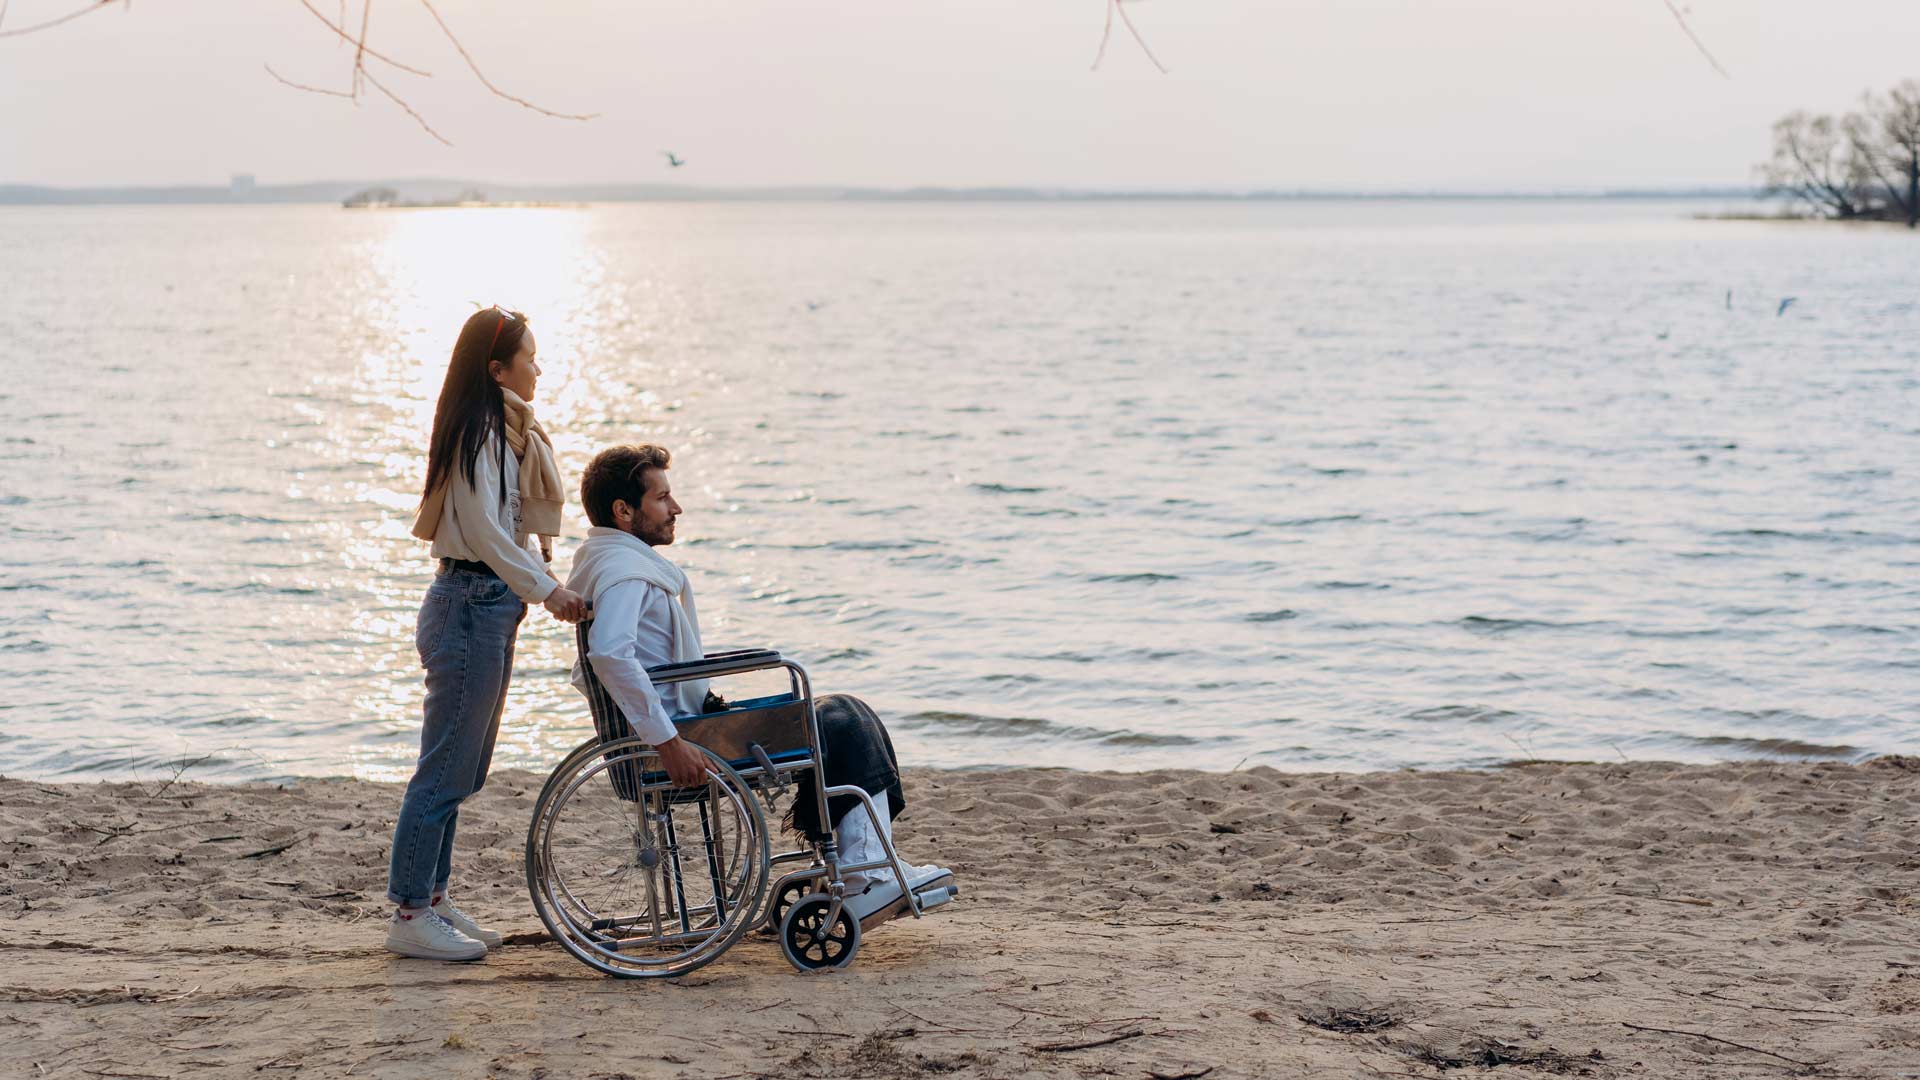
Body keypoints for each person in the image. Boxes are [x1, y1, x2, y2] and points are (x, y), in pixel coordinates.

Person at [564, 444, 952, 922]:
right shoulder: (625, 573)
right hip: (677, 742)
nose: (676, 508)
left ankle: (864, 864)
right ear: (623, 511)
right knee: (843, 720)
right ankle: (864, 873)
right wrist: (666, 743)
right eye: (662, 498)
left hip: (685, 724)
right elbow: (608, 655)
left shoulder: (608, 561)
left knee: (843, 713)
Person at [385, 305, 589, 962]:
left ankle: (435, 898)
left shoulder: (507, 431)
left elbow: (512, 534)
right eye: (529, 357)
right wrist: (550, 591)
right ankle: (412, 912)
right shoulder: (481, 431)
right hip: (469, 603)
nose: (538, 368)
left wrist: (540, 586)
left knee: (465, 769)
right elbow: (489, 536)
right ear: (496, 368)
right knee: (443, 769)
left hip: (490, 604)